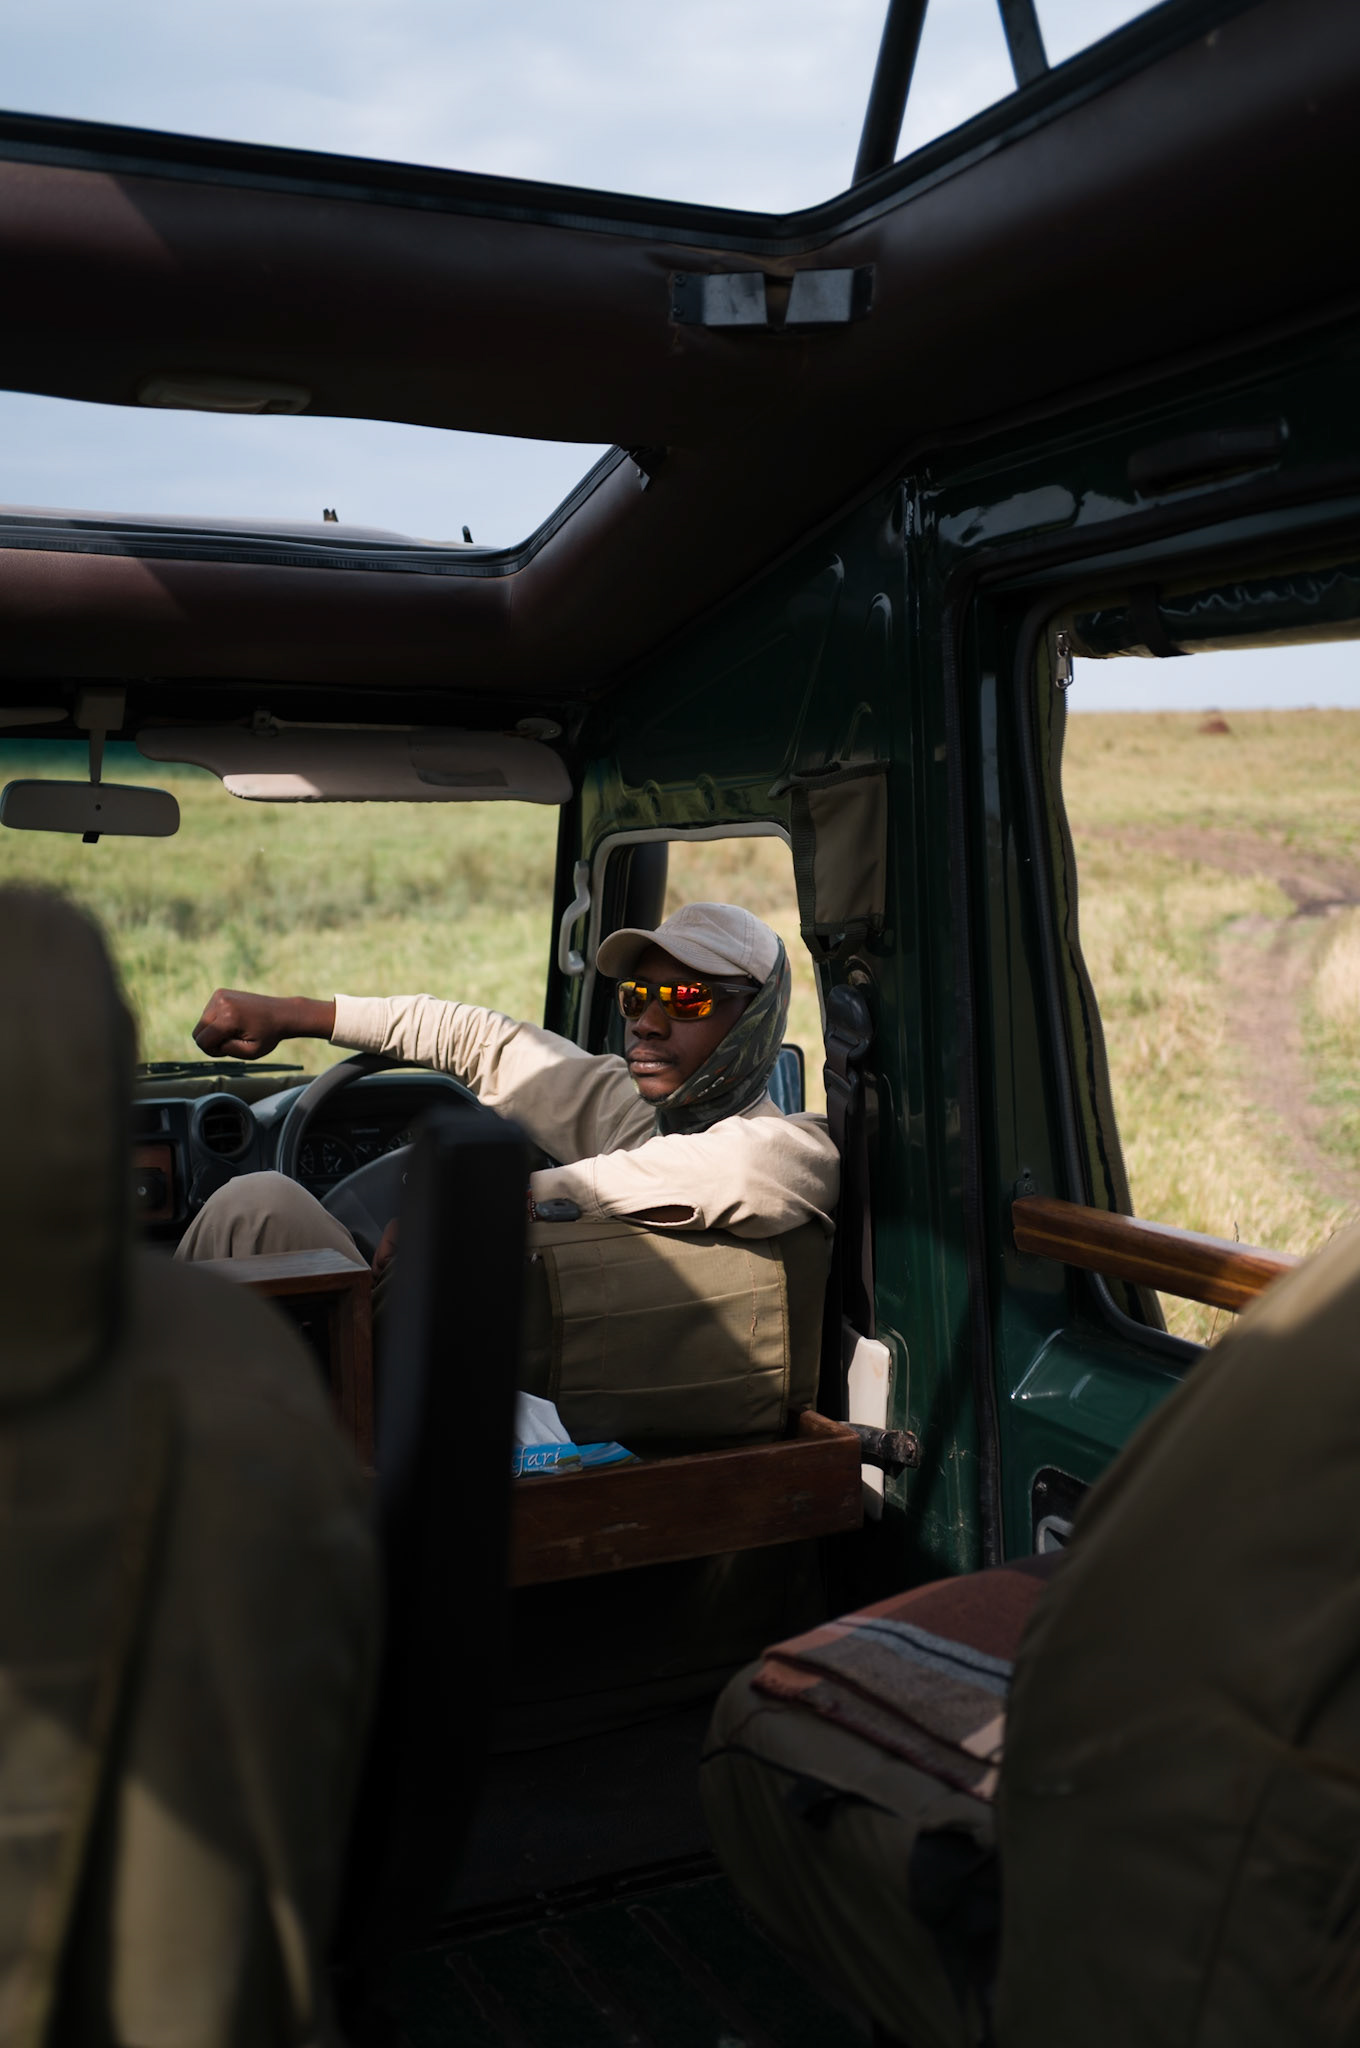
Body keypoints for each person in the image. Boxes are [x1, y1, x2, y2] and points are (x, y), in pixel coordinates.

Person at [0, 885, 378, 2046]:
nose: (653, 1014)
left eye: (685, 997)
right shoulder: (245, 1374)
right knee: (271, 1199)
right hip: (249, 1989)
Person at [179, 902, 839, 1267]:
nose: (648, 1023)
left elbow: (736, 1169)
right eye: (636, 996)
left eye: (687, 999)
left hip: (484, 1392)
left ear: (753, 1019)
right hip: (476, 1366)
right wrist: (293, 1015)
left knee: (256, 1202)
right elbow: (479, 1040)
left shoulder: (784, 1151)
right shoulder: (628, 1110)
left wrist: (475, 1207)